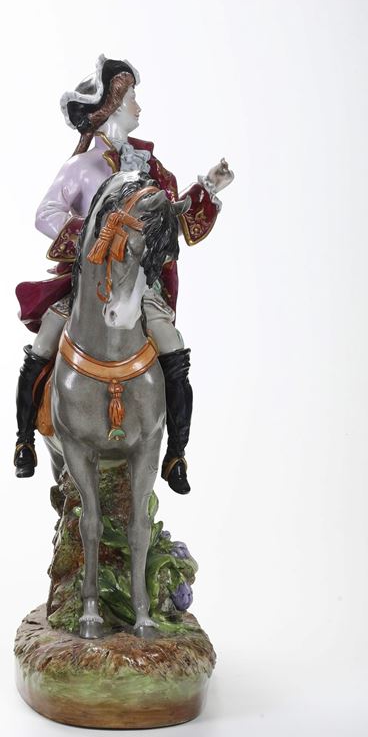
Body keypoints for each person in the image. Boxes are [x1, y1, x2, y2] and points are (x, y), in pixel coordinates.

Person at [13, 54, 234, 493]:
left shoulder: (149, 167)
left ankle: (175, 453)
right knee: (43, 344)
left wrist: (206, 189)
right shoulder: (81, 168)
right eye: (132, 97)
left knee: (173, 347)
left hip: (139, 284)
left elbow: (171, 219)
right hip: (88, 284)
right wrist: (94, 239)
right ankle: (24, 440)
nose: (138, 106)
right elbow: (46, 214)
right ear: (112, 106)